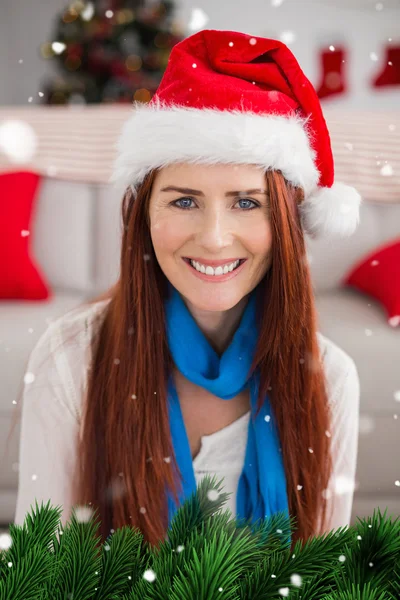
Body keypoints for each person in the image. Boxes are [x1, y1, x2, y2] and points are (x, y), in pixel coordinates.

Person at [14, 29, 361, 549]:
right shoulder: (71, 361)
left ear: (285, 223)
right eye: (183, 201)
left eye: (246, 202)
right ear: (144, 216)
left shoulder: (330, 378)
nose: (215, 238)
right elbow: (41, 571)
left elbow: (324, 571)